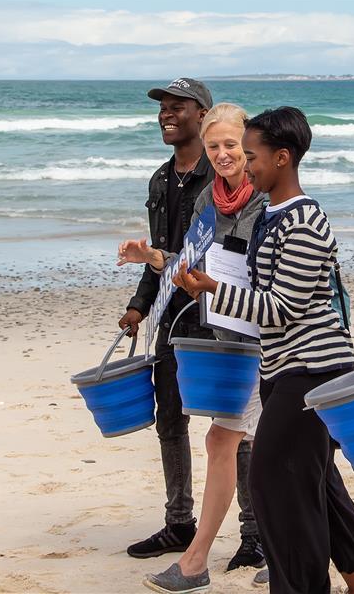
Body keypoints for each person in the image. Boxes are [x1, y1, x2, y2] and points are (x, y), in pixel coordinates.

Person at [171, 107, 354, 594]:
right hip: (283, 368)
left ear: (283, 158)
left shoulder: (305, 220)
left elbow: (283, 306)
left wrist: (210, 292)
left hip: (315, 372)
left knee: (275, 488)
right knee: (318, 485)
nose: (246, 165)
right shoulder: (272, 214)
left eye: (252, 156)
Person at [119, 103, 268, 593]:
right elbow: (190, 260)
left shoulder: (265, 197)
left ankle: (266, 545)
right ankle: (202, 558)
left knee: (272, 447)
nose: (223, 155)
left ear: (249, 146)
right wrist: (154, 258)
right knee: (232, 441)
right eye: (214, 147)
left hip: (275, 337)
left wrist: (209, 285)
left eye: (231, 146)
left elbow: (275, 277)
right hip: (233, 335)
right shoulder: (209, 198)